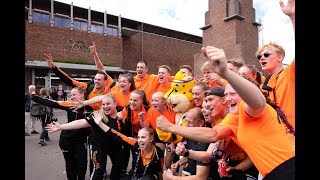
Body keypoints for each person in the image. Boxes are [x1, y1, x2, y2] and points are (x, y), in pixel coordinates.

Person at [157, 45, 295, 179]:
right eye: (226, 95)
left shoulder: (251, 108)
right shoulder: (235, 117)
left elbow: (258, 101)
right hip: (271, 173)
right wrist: (172, 128)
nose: (228, 99)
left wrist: (226, 73)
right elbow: (213, 134)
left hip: (288, 167)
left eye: (233, 94)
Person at [46, 94, 128, 180]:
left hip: (114, 144)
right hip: (98, 145)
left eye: (108, 104)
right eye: (103, 104)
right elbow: (81, 122)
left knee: (118, 166)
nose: (105, 106)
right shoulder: (97, 115)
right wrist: (61, 127)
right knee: (99, 169)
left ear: (115, 104)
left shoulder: (122, 112)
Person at [32, 86, 94, 180]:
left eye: (74, 94)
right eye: (71, 95)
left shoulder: (90, 107)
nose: (72, 97)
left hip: (81, 141)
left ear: (82, 94)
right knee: (70, 164)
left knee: (82, 164)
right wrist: (34, 96)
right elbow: (52, 103)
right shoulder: (69, 104)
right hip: (67, 139)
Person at [256, 0, 295, 129]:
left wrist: (293, 17)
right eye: (259, 56)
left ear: (280, 57)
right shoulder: (265, 85)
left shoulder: (290, 72)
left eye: (266, 54)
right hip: (278, 136)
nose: (262, 58)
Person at [91, 111, 164, 180]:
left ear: (151, 139)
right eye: (138, 137)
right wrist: (100, 123)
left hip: (150, 177)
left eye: (143, 137)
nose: (140, 140)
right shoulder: (135, 144)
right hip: (135, 174)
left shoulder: (158, 152)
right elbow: (116, 135)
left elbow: (160, 171)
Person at [43, 49, 116, 110]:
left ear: (105, 81)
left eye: (99, 80)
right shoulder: (88, 87)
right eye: (95, 79)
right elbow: (69, 81)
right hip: (88, 121)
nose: (96, 81)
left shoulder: (110, 91)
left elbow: (101, 69)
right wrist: (54, 69)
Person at [164, 107, 213, 179]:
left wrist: (172, 178)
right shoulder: (193, 134)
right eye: (186, 121)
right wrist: (178, 163)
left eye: (189, 122)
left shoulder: (205, 142)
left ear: (201, 123)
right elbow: (191, 154)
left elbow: (201, 177)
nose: (186, 125)